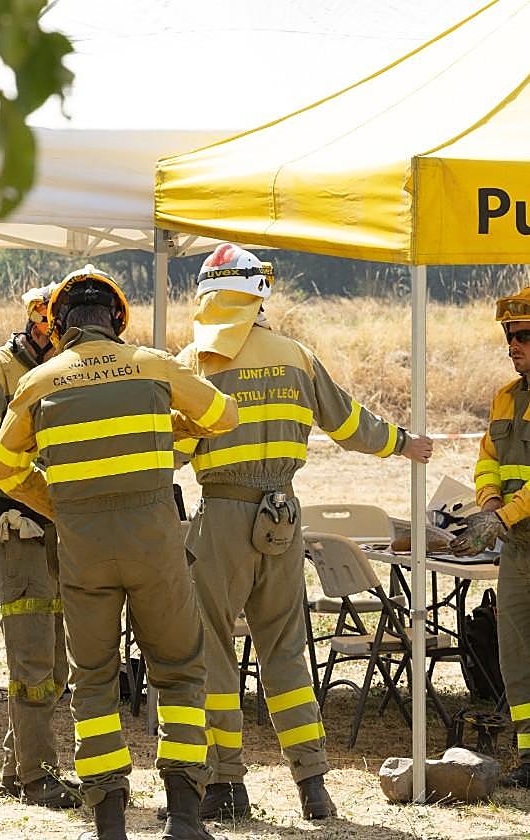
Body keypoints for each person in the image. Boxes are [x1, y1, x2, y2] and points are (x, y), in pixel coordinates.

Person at [174, 244, 433, 822]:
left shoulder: (195, 361)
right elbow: (349, 425)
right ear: (260, 291)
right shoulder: (297, 357)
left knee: (214, 651)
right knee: (287, 653)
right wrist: (404, 443)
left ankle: (225, 786)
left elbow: (173, 450)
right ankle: (313, 787)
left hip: (220, 517)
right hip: (285, 519)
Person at [0, 265, 238, 840]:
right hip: (155, 547)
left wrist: (60, 507)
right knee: (178, 673)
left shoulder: (39, 382)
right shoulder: (151, 363)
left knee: (95, 681)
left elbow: (3, 469)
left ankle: (108, 820)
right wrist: (166, 426)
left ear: (57, 326)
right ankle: (183, 816)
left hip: (83, 551)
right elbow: (223, 416)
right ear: (118, 319)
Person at [0, 284, 79, 809]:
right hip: (17, 528)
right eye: (59, 328)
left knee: (55, 663)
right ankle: (38, 776)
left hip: (56, 528)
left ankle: (18, 767)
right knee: (32, 659)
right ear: (39, 324)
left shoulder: (69, 369)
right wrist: (37, 483)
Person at [451, 286, 530, 786]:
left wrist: (504, 517)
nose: (512, 347)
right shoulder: (505, 398)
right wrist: (489, 505)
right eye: (508, 337)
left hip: (514, 531)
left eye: (523, 336)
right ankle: (529, 757)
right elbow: (488, 461)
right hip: (519, 550)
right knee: (516, 658)